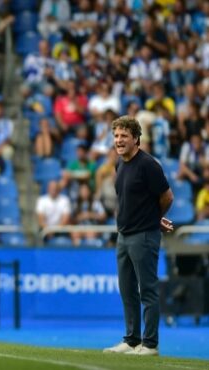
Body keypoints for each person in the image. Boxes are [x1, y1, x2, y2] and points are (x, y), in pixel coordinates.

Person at [103, 116, 174, 356]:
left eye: (124, 136)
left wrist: (154, 218)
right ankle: (132, 340)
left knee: (148, 291)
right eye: (116, 136)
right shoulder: (119, 164)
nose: (119, 140)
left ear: (136, 138)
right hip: (123, 237)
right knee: (127, 290)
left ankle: (150, 344)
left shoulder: (148, 165)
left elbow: (167, 197)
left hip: (144, 236)